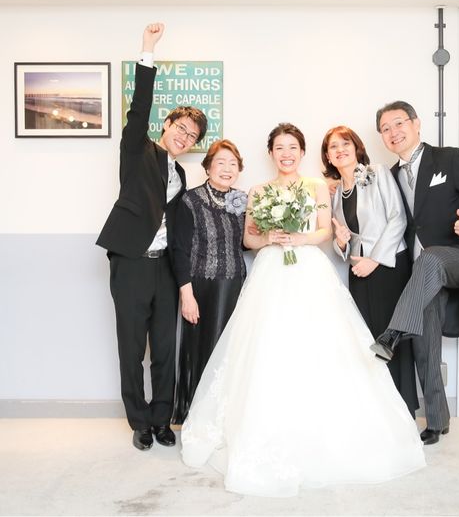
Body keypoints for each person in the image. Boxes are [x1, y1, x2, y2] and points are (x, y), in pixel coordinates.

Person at [180, 123, 425, 498]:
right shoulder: (259, 191)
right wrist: (269, 237)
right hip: (270, 270)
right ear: (271, 153)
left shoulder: (316, 187)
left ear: (302, 151)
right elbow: (249, 237)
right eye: (279, 148)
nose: (286, 154)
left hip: (309, 268)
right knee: (268, 348)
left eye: (292, 147)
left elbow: (325, 230)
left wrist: (298, 238)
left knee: (319, 346)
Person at [96, 23, 207, 451]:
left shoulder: (182, 174)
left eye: (192, 136)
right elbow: (138, 107)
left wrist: (182, 282)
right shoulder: (136, 149)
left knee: (164, 348)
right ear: (167, 124)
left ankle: (162, 420)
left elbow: (177, 233)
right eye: (181, 128)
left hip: (164, 270)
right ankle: (139, 421)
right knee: (131, 348)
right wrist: (147, 49)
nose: (184, 137)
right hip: (130, 262)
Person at [370, 101, 459, 445]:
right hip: (423, 276)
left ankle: (392, 334)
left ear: (416, 124)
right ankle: (437, 421)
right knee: (425, 345)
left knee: (430, 259)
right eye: (385, 129)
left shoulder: (448, 158)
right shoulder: (391, 177)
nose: (393, 132)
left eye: (399, 123)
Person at [321, 125, 418, 417]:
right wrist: (340, 243)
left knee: (393, 338)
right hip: (359, 272)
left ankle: (404, 409)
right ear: (328, 157)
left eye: (345, 143)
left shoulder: (377, 173)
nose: (340, 150)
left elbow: (398, 218)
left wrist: (374, 260)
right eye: (333, 147)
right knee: (368, 340)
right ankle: (381, 412)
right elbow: (343, 241)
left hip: (388, 265)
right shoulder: (335, 195)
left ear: (357, 147)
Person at [171, 139, 247, 424]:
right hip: (201, 288)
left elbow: (246, 243)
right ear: (207, 167)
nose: (227, 169)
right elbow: (179, 250)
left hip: (236, 286)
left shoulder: (243, 200)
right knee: (202, 350)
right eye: (220, 163)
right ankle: (197, 417)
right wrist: (186, 295)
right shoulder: (191, 201)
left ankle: (224, 417)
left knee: (230, 353)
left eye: (233, 164)